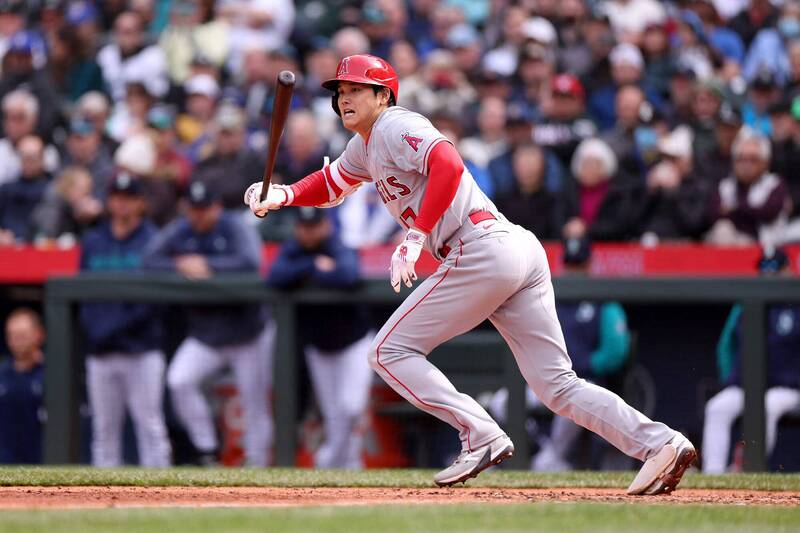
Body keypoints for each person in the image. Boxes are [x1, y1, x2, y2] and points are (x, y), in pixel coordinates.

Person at [245, 54, 695, 494]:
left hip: (479, 247)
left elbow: (448, 163)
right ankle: (662, 444)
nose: (345, 98)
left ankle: (479, 433)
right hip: (512, 248)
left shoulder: (396, 124)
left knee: (388, 351)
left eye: (357, 89)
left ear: (384, 96)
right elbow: (332, 184)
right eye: (341, 91)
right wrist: (283, 194)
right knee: (557, 386)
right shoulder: (364, 145)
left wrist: (417, 235)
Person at [144, 182, 274, 466]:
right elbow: (149, 259)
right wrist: (179, 265)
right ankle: (206, 449)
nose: (199, 215)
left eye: (205, 209)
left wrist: (208, 264)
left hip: (247, 333)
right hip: (207, 334)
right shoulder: (182, 229)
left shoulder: (234, 226)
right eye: (194, 209)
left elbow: (251, 261)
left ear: (217, 207)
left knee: (254, 402)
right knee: (179, 380)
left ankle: (258, 463)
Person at [267, 207, 373, 469]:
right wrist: (313, 265)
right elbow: (274, 277)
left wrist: (307, 274)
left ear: (325, 225)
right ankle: (348, 466)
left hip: (354, 341)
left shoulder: (338, 245)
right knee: (334, 415)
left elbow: (348, 275)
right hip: (320, 346)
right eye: (304, 226)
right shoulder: (294, 249)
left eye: (314, 226)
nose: (309, 231)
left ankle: (330, 459)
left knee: (351, 406)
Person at [80, 172, 171, 467]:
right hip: (101, 350)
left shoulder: (153, 240)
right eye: (117, 198)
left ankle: (162, 500)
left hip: (141, 348)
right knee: (103, 430)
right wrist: (97, 331)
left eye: (129, 199)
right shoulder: (94, 241)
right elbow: (81, 295)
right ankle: (102, 505)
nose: (122, 205)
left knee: (150, 425)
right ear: (109, 202)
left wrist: (111, 329)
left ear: (140, 203)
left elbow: (154, 300)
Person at [702, 247, 800, 474]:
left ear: (788, 270)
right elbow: (726, 346)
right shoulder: (746, 304)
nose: (768, 275)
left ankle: (745, 469)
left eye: (774, 270)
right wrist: (731, 378)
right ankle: (713, 475)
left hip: (788, 387)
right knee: (717, 407)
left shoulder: (795, 301)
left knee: (768, 405)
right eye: (763, 270)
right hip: (746, 385)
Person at [0, 308, 45, 464]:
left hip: (44, 461)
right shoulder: (2, 374)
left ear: (39, 334)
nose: (16, 341)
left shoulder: (52, 374)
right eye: (12, 336)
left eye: (22, 336)